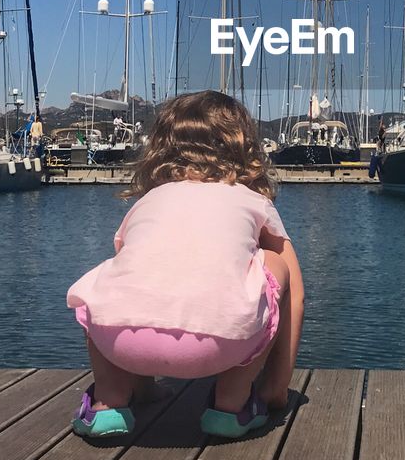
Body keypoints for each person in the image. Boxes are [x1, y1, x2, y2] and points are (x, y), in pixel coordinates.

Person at [67, 90, 304, 440]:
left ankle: (110, 400)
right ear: (245, 148)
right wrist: (277, 385)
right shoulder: (252, 201)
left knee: (115, 278)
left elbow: (141, 284)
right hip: (222, 345)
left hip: (120, 343)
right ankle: (231, 403)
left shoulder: (149, 201)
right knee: (276, 265)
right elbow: (295, 293)